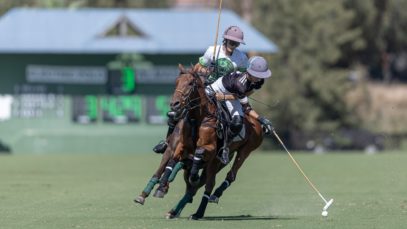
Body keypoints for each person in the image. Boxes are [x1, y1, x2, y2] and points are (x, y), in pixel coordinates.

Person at [153, 25, 249, 154]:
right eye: (232, 42)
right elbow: (197, 68)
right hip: (209, 88)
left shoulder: (242, 58)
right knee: (178, 110)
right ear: (225, 40)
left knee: (237, 123)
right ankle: (167, 141)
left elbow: (242, 79)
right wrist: (208, 69)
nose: (234, 45)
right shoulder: (212, 51)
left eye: (237, 43)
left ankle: (225, 147)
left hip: (228, 93)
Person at [206, 56, 274, 164]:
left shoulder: (259, 81)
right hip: (218, 88)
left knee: (238, 122)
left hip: (233, 95)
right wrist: (262, 119)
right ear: (249, 72)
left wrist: (224, 97)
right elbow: (247, 108)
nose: (259, 78)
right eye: (257, 75)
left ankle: (224, 147)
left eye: (261, 75)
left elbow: (245, 95)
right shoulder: (240, 84)